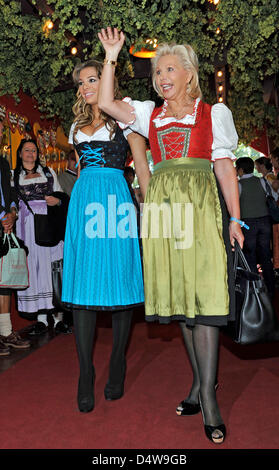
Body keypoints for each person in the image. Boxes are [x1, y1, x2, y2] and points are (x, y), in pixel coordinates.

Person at [98, 27, 244, 444]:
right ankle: (199, 385)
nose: (162, 77)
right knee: (181, 301)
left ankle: (209, 400)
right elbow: (107, 102)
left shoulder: (212, 114)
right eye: (157, 71)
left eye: (169, 69)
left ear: (189, 74)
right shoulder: (149, 113)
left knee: (205, 298)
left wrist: (236, 219)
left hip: (199, 210)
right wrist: (111, 56)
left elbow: (225, 169)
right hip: (162, 212)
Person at [61, 59, 149, 413]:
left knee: (119, 281)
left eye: (92, 79)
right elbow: (82, 169)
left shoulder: (125, 115)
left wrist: (152, 204)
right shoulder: (76, 126)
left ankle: (117, 363)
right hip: (84, 203)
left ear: (106, 79)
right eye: (81, 82)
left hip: (116, 202)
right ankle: (85, 374)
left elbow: (141, 165)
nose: (85, 87)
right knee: (83, 286)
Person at [12, 139, 71, 335]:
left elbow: (62, 197)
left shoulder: (49, 173)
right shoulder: (14, 177)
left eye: (34, 150)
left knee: (53, 267)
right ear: (20, 154)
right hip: (26, 228)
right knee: (34, 269)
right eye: (27, 150)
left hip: (49, 226)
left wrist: (56, 201)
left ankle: (58, 317)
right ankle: (41, 319)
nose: (30, 153)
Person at [0, 122, 31, 355]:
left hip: (5, 225)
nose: (2, 133)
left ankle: (5, 332)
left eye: (3, 130)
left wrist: (11, 211)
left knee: (4, 282)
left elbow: (10, 191)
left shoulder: (3, 161)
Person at [235, 157, 275, 298]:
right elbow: (273, 196)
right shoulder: (262, 181)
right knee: (265, 256)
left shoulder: (238, 185)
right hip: (265, 222)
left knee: (250, 257)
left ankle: (255, 291)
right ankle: (271, 289)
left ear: (240, 169)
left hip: (247, 224)